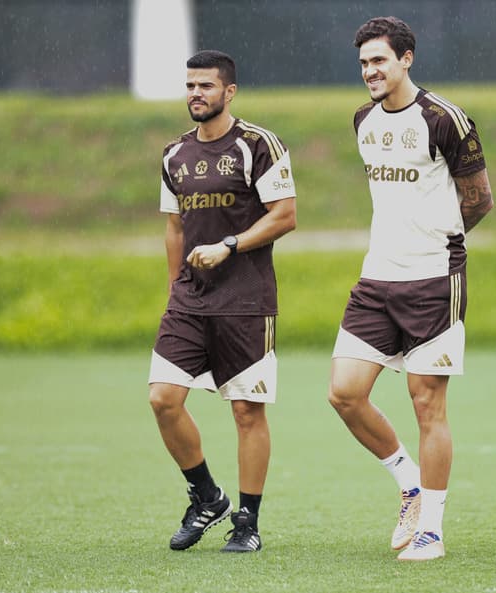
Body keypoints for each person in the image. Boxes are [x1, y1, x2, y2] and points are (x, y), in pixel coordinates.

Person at [327, 16, 494, 562]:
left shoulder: (445, 119)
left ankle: (432, 532)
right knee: (345, 393)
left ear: (406, 59)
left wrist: (439, 242)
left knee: (427, 405)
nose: (369, 71)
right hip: (377, 278)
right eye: (363, 64)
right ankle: (410, 485)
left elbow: (480, 199)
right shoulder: (362, 121)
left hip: (432, 280)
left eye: (378, 60)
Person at [147, 50, 297, 553]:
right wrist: (175, 287)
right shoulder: (174, 155)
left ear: (228, 92)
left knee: (246, 413)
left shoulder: (259, 144)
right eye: (190, 85)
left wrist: (229, 245)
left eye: (206, 86)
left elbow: (284, 215)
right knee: (163, 399)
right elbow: (173, 227)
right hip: (189, 302)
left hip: (246, 300)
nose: (196, 94)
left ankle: (247, 523)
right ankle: (207, 496)